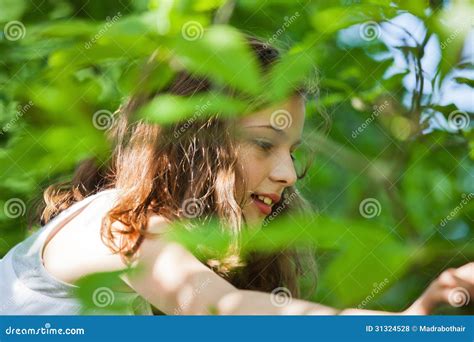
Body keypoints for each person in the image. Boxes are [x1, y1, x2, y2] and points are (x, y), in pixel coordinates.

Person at [0, 37, 472, 315]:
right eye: (265, 144)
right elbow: (227, 313)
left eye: (291, 152)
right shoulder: (120, 224)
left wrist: (415, 318)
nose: (288, 173)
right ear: (190, 140)